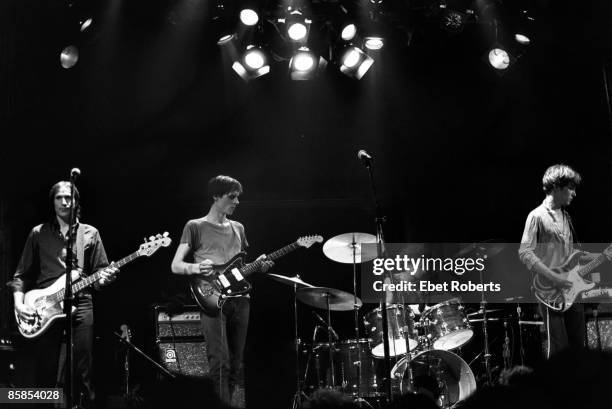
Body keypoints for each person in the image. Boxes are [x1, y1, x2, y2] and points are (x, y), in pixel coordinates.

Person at [7, 181, 118, 408]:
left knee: (83, 369)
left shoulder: (90, 233)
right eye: (59, 197)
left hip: (82, 303)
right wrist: (19, 303)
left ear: (76, 201)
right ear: (53, 201)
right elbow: (20, 276)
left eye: (69, 197)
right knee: (46, 370)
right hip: (44, 306)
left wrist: (105, 279)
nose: (64, 202)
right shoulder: (38, 233)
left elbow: (99, 274)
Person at [171, 175, 273, 405]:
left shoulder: (238, 228)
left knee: (237, 364)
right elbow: (176, 265)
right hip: (212, 298)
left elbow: (241, 267)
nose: (237, 201)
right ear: (216, 197)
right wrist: (196, 266)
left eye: (238, 197)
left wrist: (260, 266)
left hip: (241, 299)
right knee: (220, 363)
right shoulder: (195, 226)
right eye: (232, 197)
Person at [518, 164, 611, 358]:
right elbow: (525, 252)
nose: (574, 193)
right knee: (559, 347)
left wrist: (603, 255)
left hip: (572, 287)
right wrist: (554, 277)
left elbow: (574, 254)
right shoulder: (536, 216)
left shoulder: (567, 217)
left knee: (578, 344)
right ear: (556, 187)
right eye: (571, 188)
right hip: (549, 290)